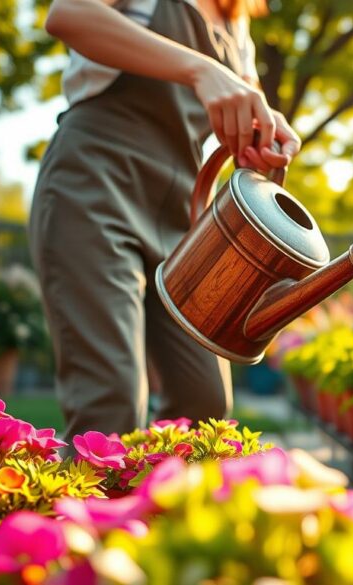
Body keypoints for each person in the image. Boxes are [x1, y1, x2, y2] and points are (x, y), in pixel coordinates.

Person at [29, 0, 300, 439]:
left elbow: (246, 106)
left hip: (184, 219)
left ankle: (162, 486)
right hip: (95, 186)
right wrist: (200, 69)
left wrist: (264, 133)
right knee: (111, 403)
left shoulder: (237, 21)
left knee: (205, 405)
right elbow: (68, 14)